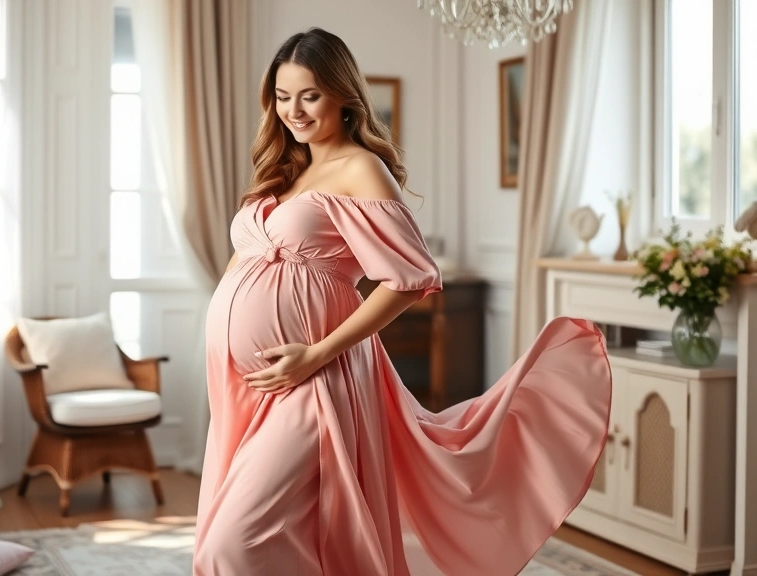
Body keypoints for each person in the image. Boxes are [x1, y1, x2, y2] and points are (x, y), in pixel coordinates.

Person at [193, 27, 612, 576]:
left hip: (316, 378)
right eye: (283, 96)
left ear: (343, 95)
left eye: (310, 95)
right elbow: (244, 260)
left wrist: (317, 354)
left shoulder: (360, 168)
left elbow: (412, 277)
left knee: (232, 544)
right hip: (246, 383)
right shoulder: (283, 170)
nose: (294, 111)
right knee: (268, 536)